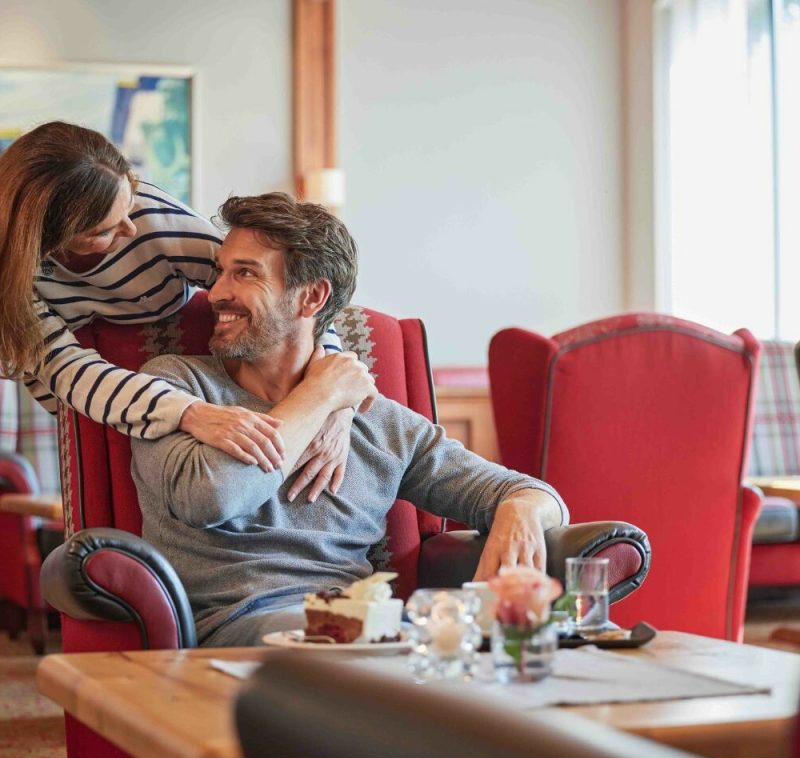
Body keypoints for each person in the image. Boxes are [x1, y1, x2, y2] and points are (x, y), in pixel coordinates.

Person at [129, 192, 569, 646]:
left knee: (513, 654)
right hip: (240, 629)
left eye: (244, 273)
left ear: (312, 297)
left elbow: (528, 492)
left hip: (364, 632)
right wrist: (320, 396)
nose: (216, 292)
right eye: (222, 271)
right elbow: (214, 496)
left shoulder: (378, 424)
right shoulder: (173, 389)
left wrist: (520, 508)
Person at [0, 121, 356, 497]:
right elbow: (69, 372)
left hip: (195, 365)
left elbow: (296, 305)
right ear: (52, 242)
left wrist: (333, 402)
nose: (130, 228)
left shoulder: (154, 219)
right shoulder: (14, 273)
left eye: (130, 198)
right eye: (106, 230)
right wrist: (191, 413)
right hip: (91, 398)